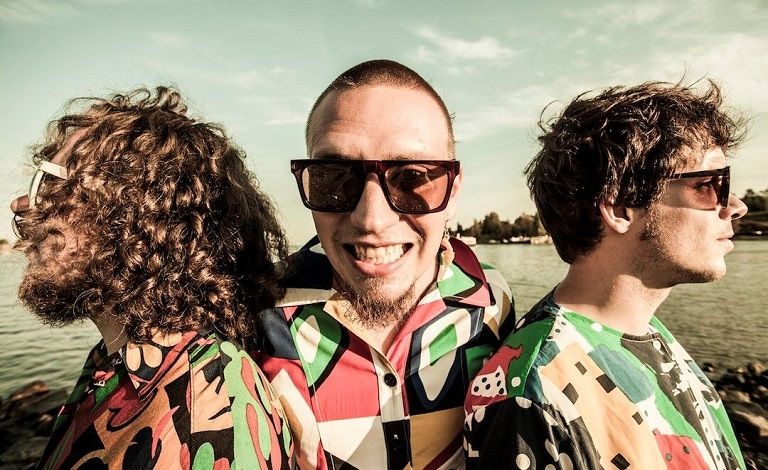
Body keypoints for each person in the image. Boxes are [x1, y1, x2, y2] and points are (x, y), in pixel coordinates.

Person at [464, 81, 748, 469]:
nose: (735, 205)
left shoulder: (644, 331)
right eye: (707, 185)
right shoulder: (533, 391)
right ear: (619, 208)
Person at [250, 59, 514, 469]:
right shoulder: (256, 318)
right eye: (335, 177)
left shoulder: (492, 300)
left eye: (412, 178)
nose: (371, 219)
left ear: (453, 192)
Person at [11, 87, 294, 469]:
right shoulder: (119, 361)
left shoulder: (205, 418)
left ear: (138, 213)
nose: (22, 204)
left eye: (48, 184)